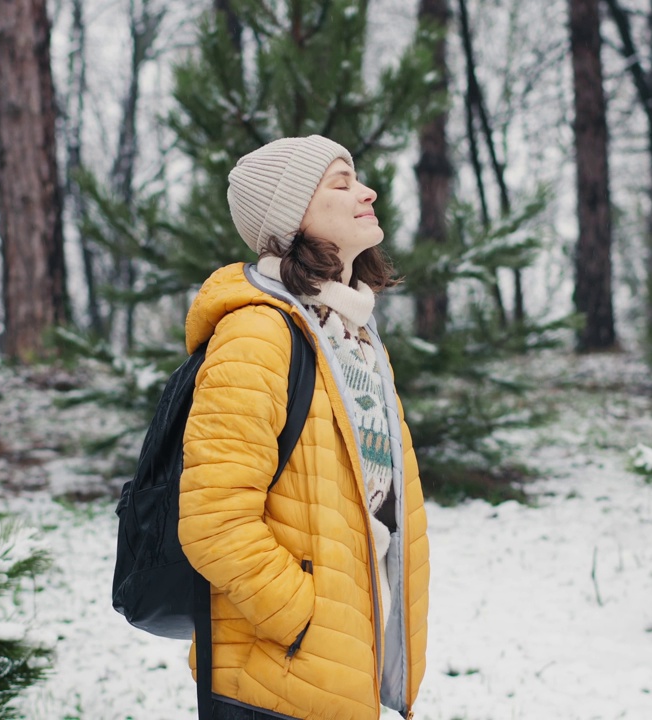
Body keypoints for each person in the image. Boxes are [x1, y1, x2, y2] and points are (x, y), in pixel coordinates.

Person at [178, 135, 430, 720]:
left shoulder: (353, 336)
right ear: (291, 219)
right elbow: (213, 519)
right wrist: (304, 619)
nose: (366, 191)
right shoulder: (258, 335)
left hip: (345, 663)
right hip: (277, 680)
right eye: (340, 182)